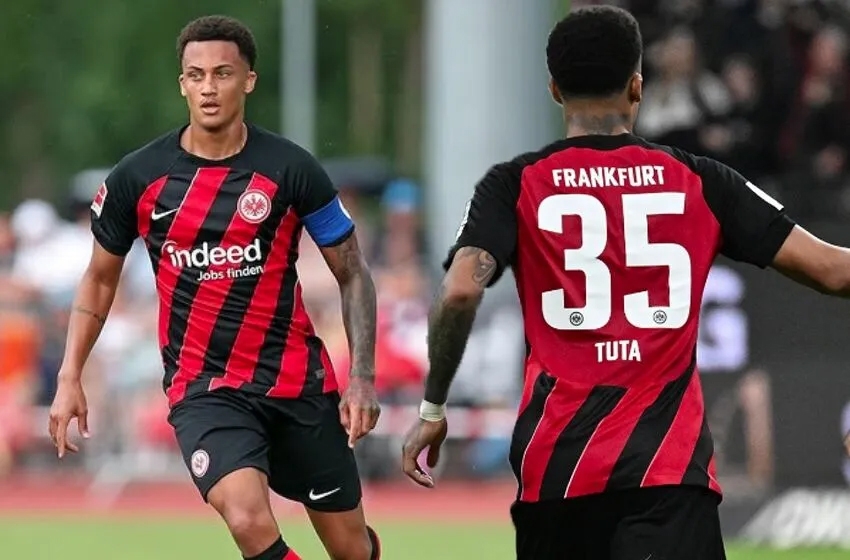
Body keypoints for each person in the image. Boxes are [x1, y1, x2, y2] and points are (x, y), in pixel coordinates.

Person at [401, 6, 850, 560]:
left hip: (558, 474)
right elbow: (835, 271)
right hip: (668, 474)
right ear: (637, 86)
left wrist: (433, 408)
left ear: (554, 90)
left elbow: (460, 291)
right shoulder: (702, 181)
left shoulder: (513, 184)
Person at [48, 15, 381, 560]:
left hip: (296, 383)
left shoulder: (291, 169)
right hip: (205, 388)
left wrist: (362, 376)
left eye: (223, 73)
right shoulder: (138, 177)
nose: (208, 87)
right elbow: (99, 279)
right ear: (182, 83)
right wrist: (70, 376)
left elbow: (353, 272)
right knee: (247, 518)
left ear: (248, 80)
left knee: (351, 549)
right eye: (196, 75)